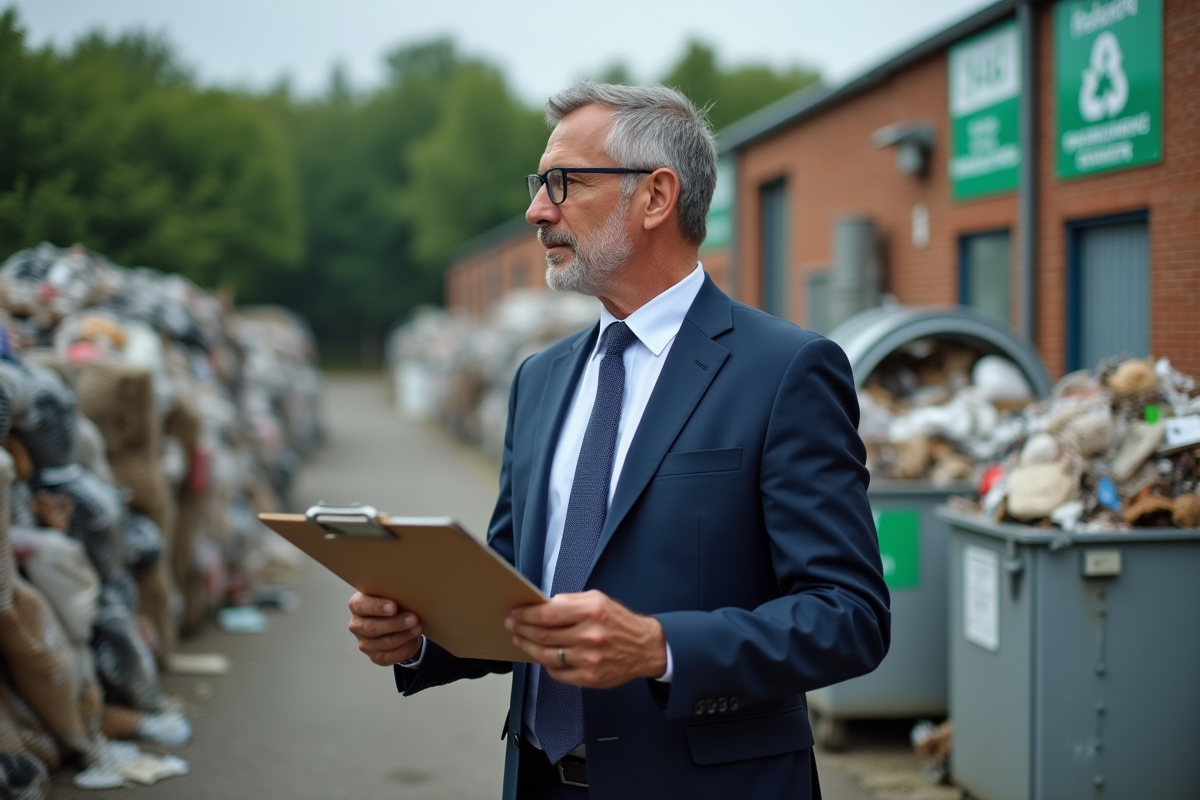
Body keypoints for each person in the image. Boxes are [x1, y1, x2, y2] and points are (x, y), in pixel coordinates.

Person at [348, 82, 890, 800]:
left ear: (656, 197)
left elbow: (848, 614)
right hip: (541, 779)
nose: (537, 210)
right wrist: (420, 637)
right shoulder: (539, 380)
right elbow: (517, 586)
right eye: (540, 184)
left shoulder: (785, 370)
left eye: (563, 183)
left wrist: (661, 647)